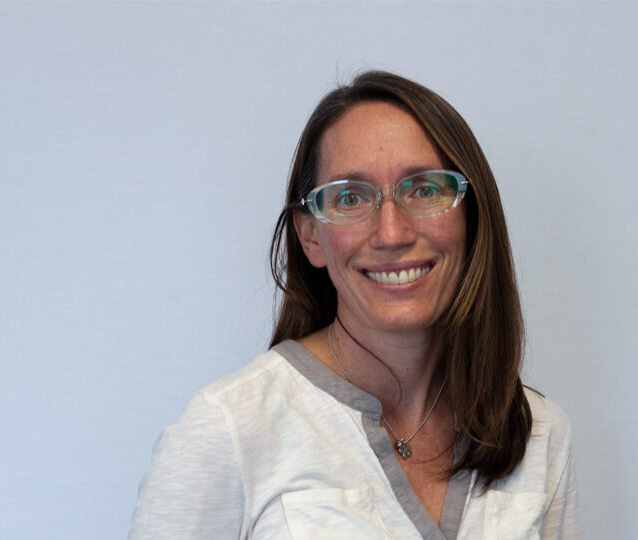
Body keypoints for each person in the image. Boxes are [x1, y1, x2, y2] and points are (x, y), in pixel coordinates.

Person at [130, 71, 580, 539]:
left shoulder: (539, 433)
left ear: (471, 216)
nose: (392, 233)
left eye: (424, 189)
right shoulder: (225, 431)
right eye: (349, 197)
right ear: (310, 238)